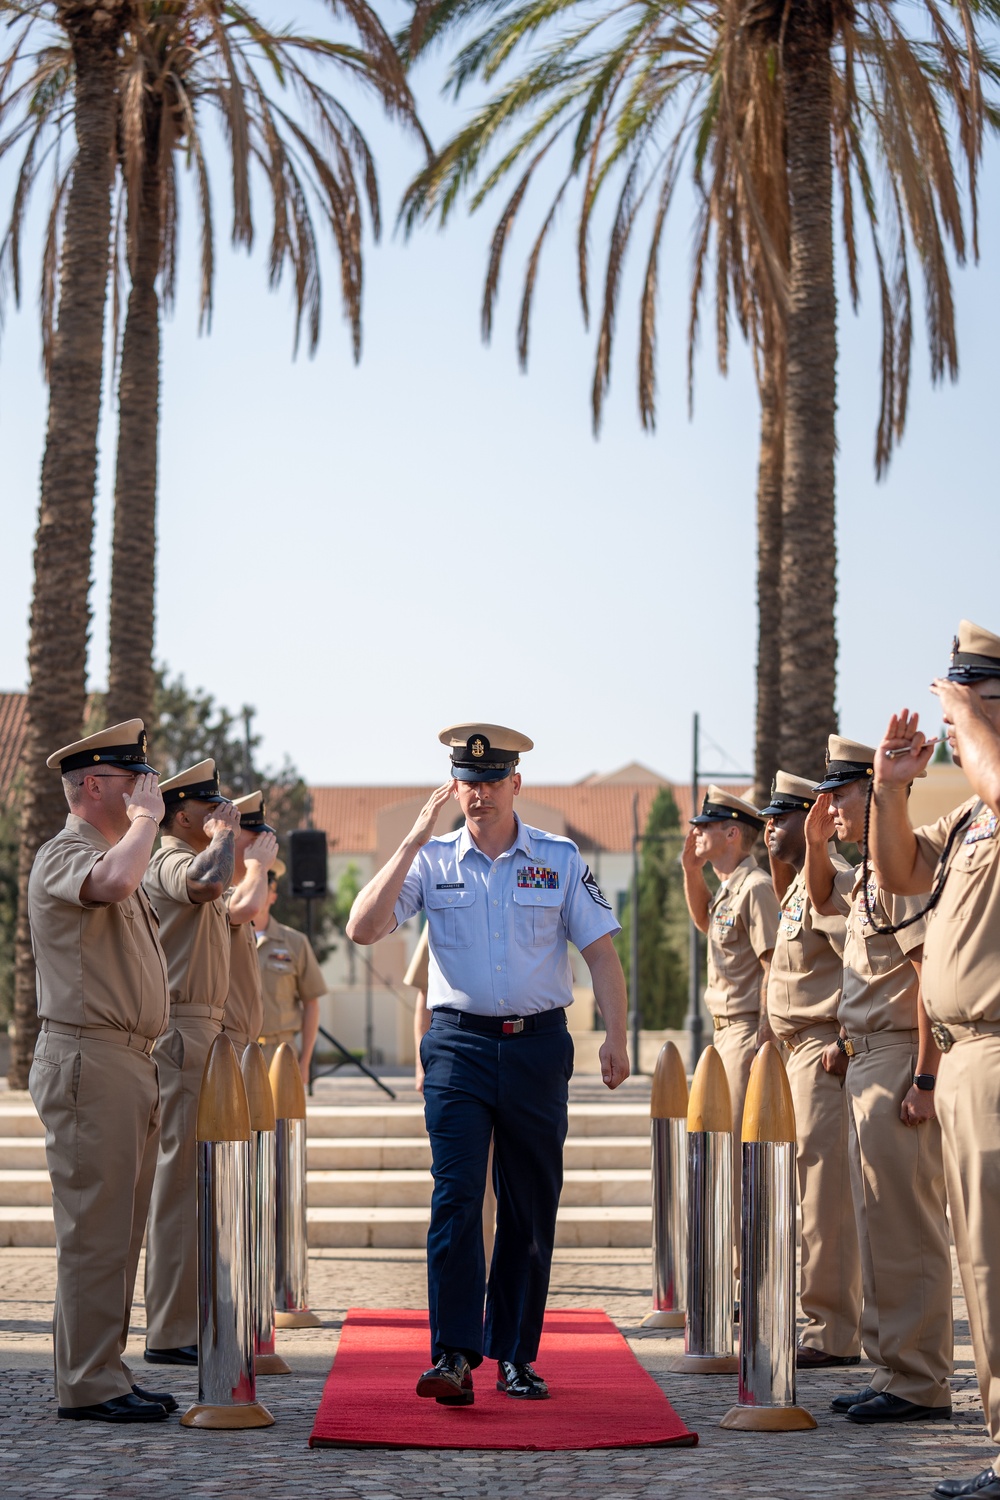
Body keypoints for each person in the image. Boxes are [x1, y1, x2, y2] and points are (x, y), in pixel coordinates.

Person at [347, 722, 628, 1407]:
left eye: (490, 782)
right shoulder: (432, 861)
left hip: (536, 1046)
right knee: (457, 1196)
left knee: (529, 1205)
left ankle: (515, 1357)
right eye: (467, 784)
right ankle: (451, 1354)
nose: (478, 795)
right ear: (456, 789)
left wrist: (616, 1033)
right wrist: (410, 842)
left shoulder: (559, 859)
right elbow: (361, 928)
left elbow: (600, 954)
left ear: (515, 785)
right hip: (457, 1046)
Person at [869, 620, 1000, 1497]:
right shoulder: (966, 818)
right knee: (981, 1269)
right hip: (962, 1061)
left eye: (961, 708)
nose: (948, 728)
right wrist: (888, 793)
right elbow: (900, 873)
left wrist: (971, 719)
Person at [28, 720, 174, 1422]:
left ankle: (105, 1369)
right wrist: (146, 821)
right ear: (92, 786)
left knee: (119, 1229)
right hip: (89, 1057)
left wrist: (141, 821)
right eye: (131, 780)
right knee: (94, 1230)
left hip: (125, 1060)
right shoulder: (68, 852)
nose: (146, 790)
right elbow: (114, 883)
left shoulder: (116, 851)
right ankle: (88, 1382)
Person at [805, 735, 952, 1426]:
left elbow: (927, 982)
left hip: (898, 1056)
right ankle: (893, 1367)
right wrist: (813, 840)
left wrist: (925, 1076)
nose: (830, 808)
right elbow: (817, 896)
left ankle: (921, 1380)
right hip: (866, 1055)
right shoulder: (867, 877)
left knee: (907, 1229)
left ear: (876, 796)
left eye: (842, 796)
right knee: (876, 1228)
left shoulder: (899, 877)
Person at [760, 771, 862, 1370]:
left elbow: (869, 961)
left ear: (816, 816)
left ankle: (831, 1330)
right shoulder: (799, 887)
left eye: (782, 815)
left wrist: (847, 1039)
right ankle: (819, 1320)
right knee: (801, 1193)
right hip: (792, 1051)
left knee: (823, 1197)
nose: (768, 824)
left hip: (822, 1051)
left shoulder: (840, 883)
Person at [142, 759, 237, 1367]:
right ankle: (170, 1329)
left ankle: (184, 1318)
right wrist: (225, 838)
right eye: (210, 809)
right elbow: (203, 883)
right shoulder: (172, 858)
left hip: (204, 1027)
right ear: (183, 815)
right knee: (178, 1184)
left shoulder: (191, 852)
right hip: (182, 1030)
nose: (220, 817)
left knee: (196, 1183)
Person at [681, 784, 778, 1255]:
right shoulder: (728, 888)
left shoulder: (756, 888)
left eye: (705, 826)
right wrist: (689, 871)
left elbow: (772, 966)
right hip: (722, 1034)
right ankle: (731, 1272)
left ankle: (745, 1277)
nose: (695, 832)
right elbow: (705, 921)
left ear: (732, 833)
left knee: (739, 1159)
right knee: (720, 1154)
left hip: (743, 1032)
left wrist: (764, 1039)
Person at [405, 923, 497, 1262]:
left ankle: (503, 1270)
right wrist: (422, 1064)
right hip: (460, 1058)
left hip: (520, 1055)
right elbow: (424, 999)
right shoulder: (444, 908)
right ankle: (480, 1265)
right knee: (470, 1180)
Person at [254, 859, 326, 1084]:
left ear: (273, 896)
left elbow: (311, 1003)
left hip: (281, 1053)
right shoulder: (222, 938)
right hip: (234, 1049)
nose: (258, 890)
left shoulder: (294, 942)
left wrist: (304, 1063)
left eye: (265, 886)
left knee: (282, 1120)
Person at [224, 792, 278, 1054]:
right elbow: (245, 908)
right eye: (254, 836)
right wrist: (257, 865)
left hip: (242, 1040)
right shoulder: (212, 886)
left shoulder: (237, 888)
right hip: (220, 1039)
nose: (263, 843)